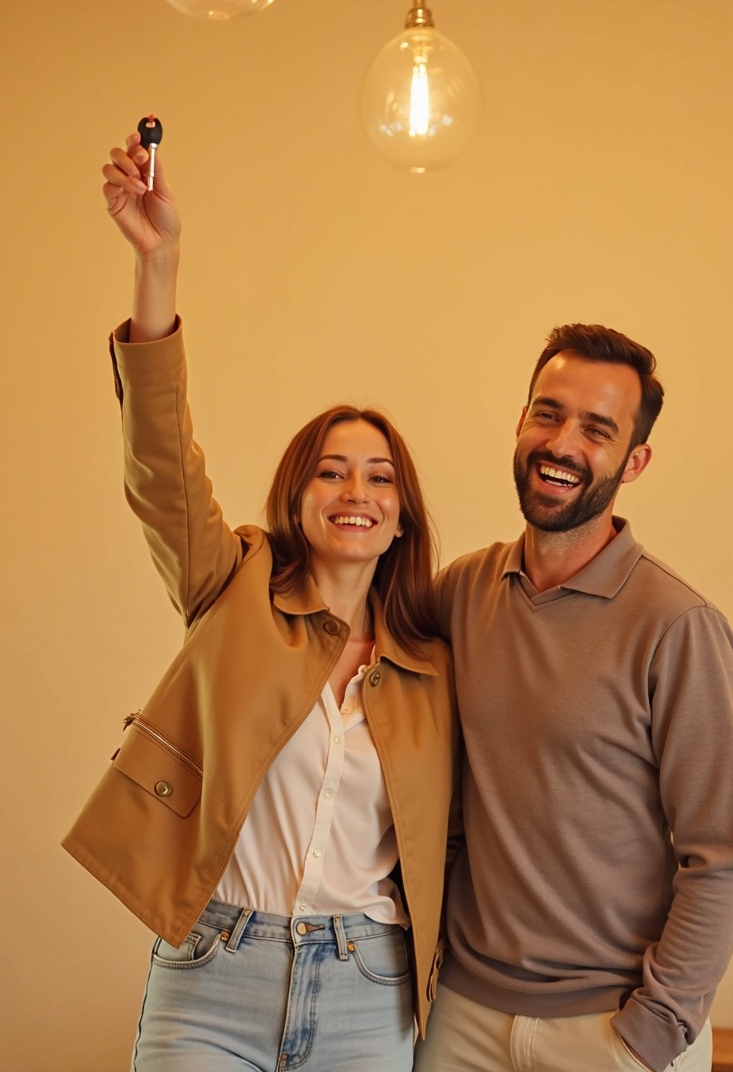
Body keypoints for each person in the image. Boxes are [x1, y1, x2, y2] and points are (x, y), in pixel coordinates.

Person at [63, 128, 456, 1070]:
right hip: (213, 969)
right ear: (297, 495)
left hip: (370, 986)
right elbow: (161, 464)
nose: (355, 492)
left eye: (378, 479)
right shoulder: (230, 582)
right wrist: (159, 266)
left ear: (402, 517)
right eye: (330, 472)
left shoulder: (436, 666)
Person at [414, 326, 733, 1072]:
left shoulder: (678, 626)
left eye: (597, 429)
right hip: (462, 1018)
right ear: (520, 422)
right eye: (548, 413)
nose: (563, 442)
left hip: (611, 1030)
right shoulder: (460, 595)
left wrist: (653, 1032)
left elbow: (724, 859)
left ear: (634, 461)